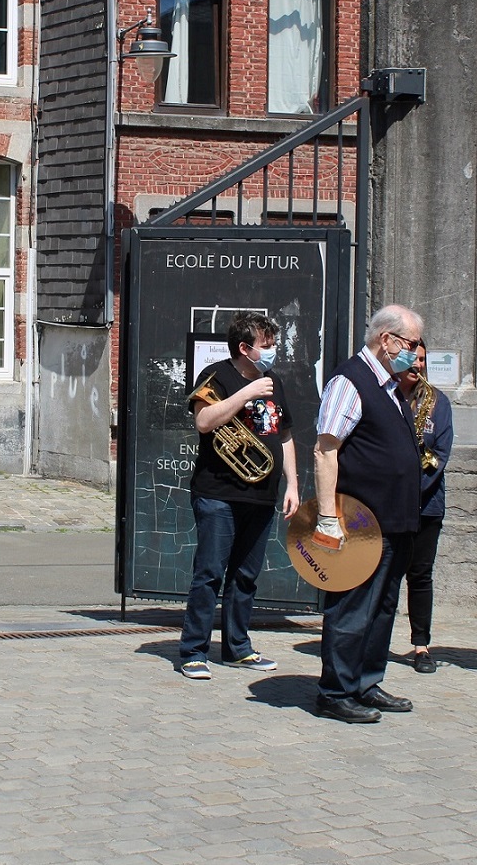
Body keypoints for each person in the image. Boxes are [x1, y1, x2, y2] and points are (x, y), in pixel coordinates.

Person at [311, 305, 427, 723]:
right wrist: (327, 517)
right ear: (387, 340)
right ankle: (335, 691)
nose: (415, 355)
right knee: (352, 608)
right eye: (411, 345)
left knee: (381, 608)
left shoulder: (390, 386)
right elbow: (326, 450)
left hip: (395, 522)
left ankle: (366, 681)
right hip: (360, 521)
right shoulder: (351, 381)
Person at [177, 312, 299, 679]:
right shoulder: (216, 376)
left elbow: (286, 434)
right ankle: (193, 652)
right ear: (245, 348)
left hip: (262, 494)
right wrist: (246, 393)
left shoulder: (273, 380)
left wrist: (292, 483)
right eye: (267, 346)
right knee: (210, 574)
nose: (274, 351)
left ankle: (237, 648)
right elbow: (203, 421)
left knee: (245, 576)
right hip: (219, 494)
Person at [397, 350, 452, 675]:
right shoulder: (386, 395)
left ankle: (421, 645)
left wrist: (409, 491)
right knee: (384, 576)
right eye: (412, 358)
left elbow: (440, 454)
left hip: (426, 505)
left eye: (422, 359)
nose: (418, 364)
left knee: (420, 575)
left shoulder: (437, 402)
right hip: (387, 505)